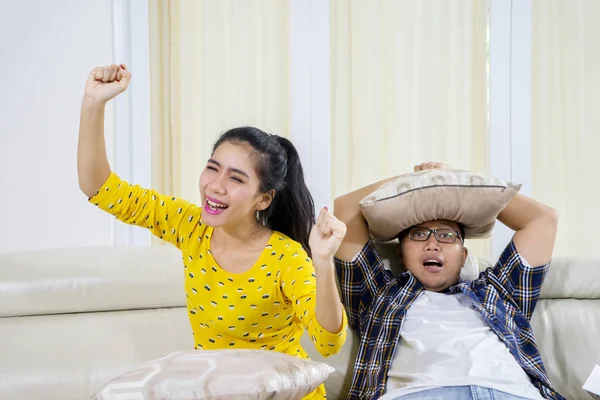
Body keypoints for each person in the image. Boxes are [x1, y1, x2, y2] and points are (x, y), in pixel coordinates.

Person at [78, 64, 348, 400]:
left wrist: (322, 261)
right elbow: (101, 189)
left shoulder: (285, 257)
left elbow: (329, 342)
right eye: (212, 168)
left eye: (236, 178)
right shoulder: (190, 228)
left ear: (263, 199)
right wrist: (93, 103)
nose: (215, 187)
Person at [333, 162, 564, 400]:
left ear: (463, 256)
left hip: (510, 393)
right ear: (401, 254)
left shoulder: (498, 291)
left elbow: (543, 220)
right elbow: (345, 208)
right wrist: (419, 180)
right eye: (418, 234)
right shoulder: (379, 294)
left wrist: (452, 178)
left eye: (446, 235)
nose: (432, 244)